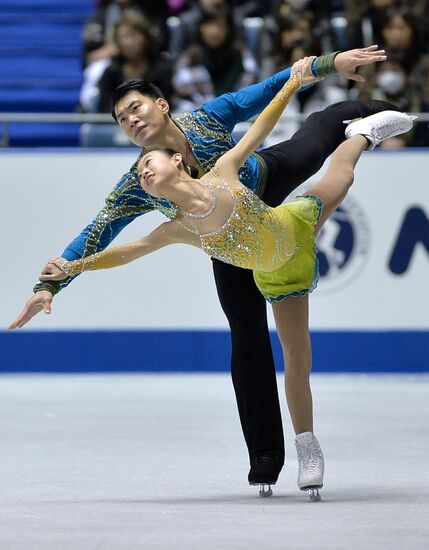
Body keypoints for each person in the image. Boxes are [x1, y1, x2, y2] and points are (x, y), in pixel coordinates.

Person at [10, 45, 392, 494]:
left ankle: (372, 118)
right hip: (230, 244)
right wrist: (50, 286)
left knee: (319, 133)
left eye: (135, 108)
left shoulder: (210, 118)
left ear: (162, 104)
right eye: (121, 119)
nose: (131, 120)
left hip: (262, 179)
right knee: (246, 336)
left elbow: (269, 92)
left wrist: (328, 65)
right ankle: (267, 455)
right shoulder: (139, 182)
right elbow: (99, 235)